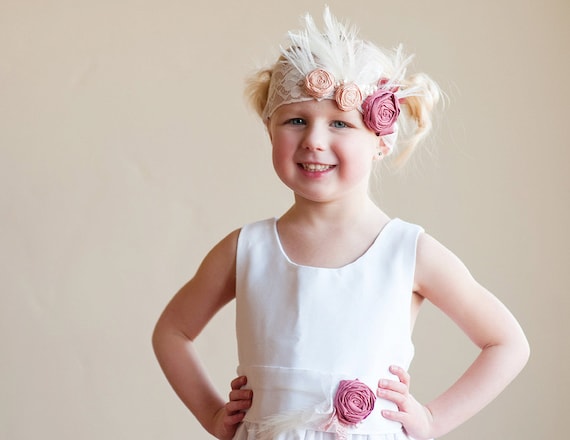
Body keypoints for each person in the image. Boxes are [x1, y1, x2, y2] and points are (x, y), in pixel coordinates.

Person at [152, 8, 529, 440]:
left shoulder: (408, 252)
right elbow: (172, 331)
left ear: (381, 142)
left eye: (340, 123)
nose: (314, 139)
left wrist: (433, 419)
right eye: (296, 120)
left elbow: (507, 343)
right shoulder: (246, 248)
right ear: (270, 131)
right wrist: (213, 414)